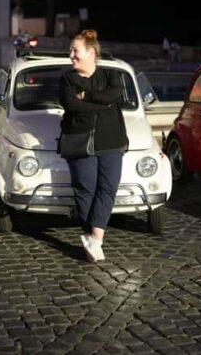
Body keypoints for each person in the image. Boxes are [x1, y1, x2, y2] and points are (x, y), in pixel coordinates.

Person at [59, 29, 128, 262]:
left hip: (112, 140)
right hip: (79, 140)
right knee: (85, 188)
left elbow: (116, 96)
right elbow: (71, 106)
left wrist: (85, 97)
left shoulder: (111, 75)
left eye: (75, 50)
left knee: (108, 187)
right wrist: (101, 101)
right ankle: (90, 235)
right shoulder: (67, 79)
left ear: (90, 52)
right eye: (71, 51)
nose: (71, 55)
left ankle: (95, 238)